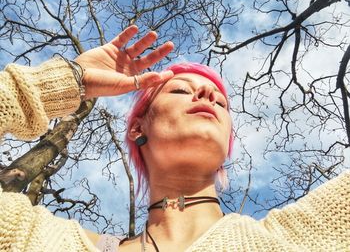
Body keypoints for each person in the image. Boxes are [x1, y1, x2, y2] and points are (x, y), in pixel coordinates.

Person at [0, 26, 349, 252]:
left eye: (221, 101)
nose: (207, 96)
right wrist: (69, 79)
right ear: (138, 129)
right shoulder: (41, 240)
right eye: (182, 90)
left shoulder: (303, 237)